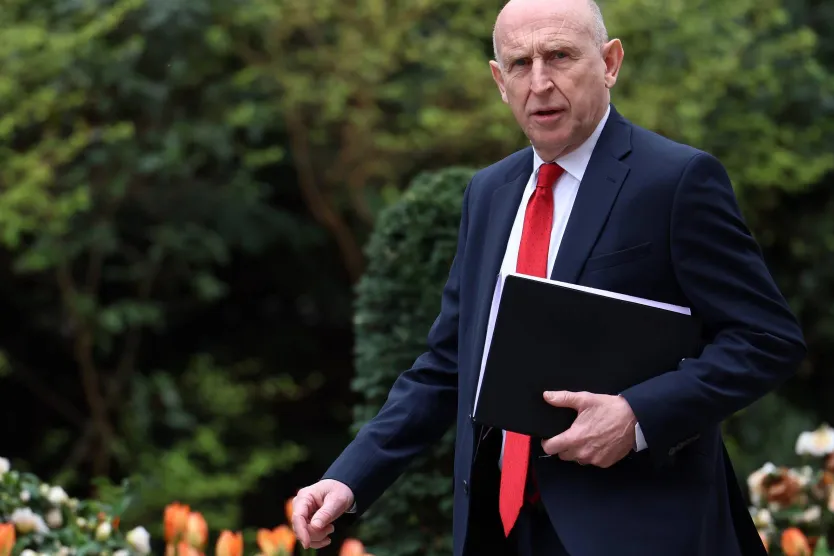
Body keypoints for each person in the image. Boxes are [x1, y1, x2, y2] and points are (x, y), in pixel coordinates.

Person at [290, 0, 806, 554]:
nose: (539, 83)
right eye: (520, 63)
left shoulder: (677, 180)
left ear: (609, 62)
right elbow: (451, 364)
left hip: (639, 533)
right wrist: (349, 478)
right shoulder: (488, 193)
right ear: (499, 80)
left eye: (559, 56)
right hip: (501, 531)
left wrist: (637, 416)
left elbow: (766, 339)